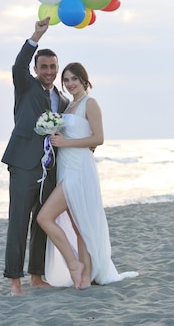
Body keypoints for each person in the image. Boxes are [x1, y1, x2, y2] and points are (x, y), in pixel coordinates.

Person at [37, 62, 138, 289]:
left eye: (74, 79)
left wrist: (66, 142)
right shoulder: (68, 107)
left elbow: (98, 139)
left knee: (44, 217)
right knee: (78, 224)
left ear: (84, 80)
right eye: (66, 80)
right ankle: (84, 275)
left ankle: (76, 266)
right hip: (65, 167)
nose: (70, 84)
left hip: (79, 169)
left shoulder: (90, 104)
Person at [1, 17, 70, 296]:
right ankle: (15, 281)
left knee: (42, 222)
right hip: (23, 165)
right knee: (18, 222)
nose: (50, 71)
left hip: (49, 169)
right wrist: (36, 36)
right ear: (36, 69)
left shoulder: (63, 100)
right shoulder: (26, 86)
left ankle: (36, 276)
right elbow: (18, 65)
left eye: (53, 67)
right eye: (44, 67)